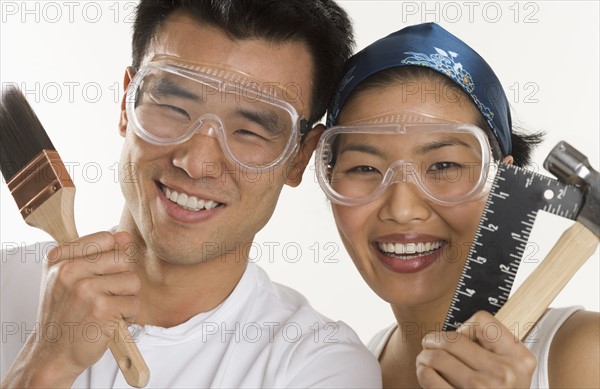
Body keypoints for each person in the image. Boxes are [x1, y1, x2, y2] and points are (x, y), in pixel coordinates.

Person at [0, 1, 382, 388]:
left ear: (299, 158)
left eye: (249, 131)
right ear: (125, 105)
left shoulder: (319, 366)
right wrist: (44, 364)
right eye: (174, 107)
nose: (196, 162)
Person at [317, 22, 599, 388]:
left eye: (444, 166)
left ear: (501, 183)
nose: (402, 210)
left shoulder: (584, 355)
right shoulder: (348, 371)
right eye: (365, 168)